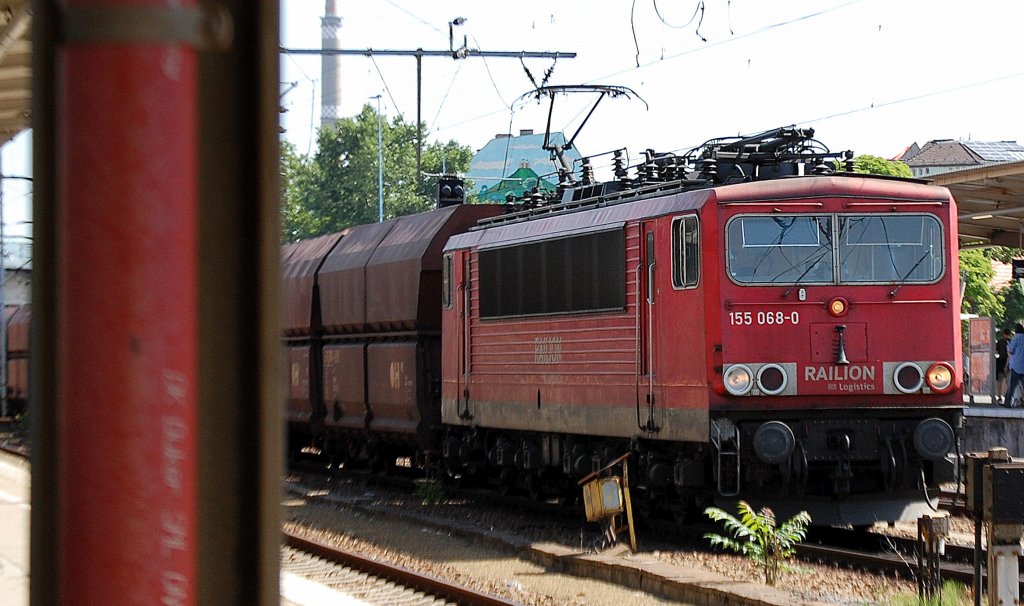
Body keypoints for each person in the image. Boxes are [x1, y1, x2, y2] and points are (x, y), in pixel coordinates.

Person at [1005, 323, 1024, 407]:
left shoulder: (1016, 338)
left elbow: (1010, 350)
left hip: (1016, 366)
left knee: (1012, 386)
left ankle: (1008, 402)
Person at [996, 328, 1011, 404]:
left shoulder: (1000, 341)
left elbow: (997, 350)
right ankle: (1007, 397)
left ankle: (999, 397)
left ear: (1003, 334)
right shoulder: (1011, 342)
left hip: (1001, 362)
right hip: (1010, 363)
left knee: (1000, 381)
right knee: (1009, 382)